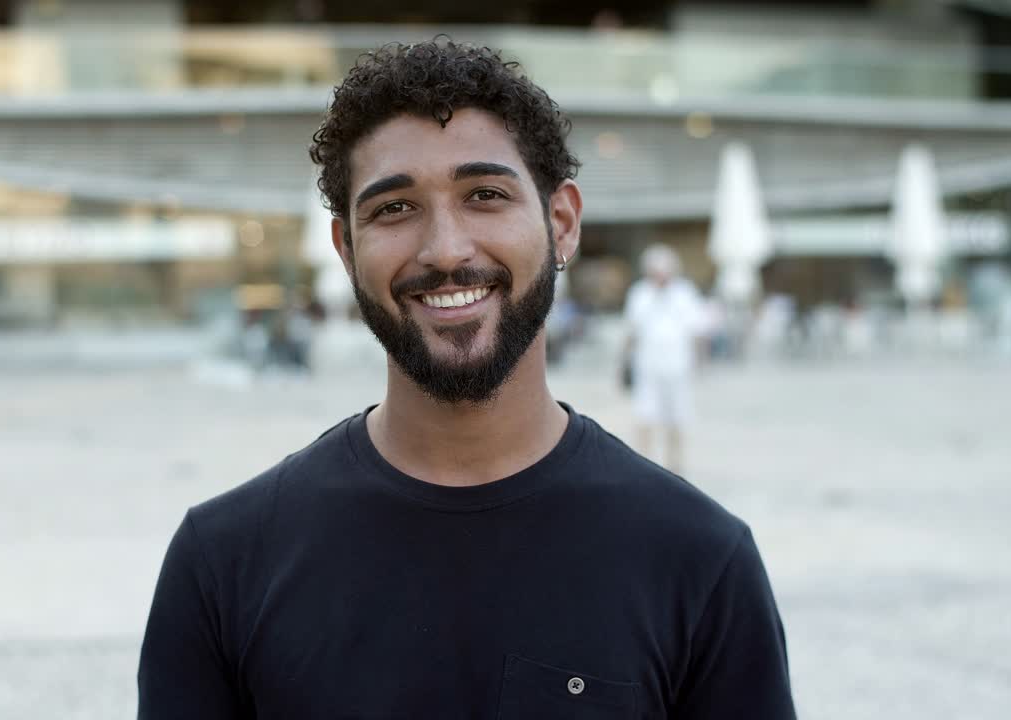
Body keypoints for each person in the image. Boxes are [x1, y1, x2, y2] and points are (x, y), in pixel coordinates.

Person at [138, 40, 795, 719]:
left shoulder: (698, 563)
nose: (446, 249)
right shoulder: (224, 564)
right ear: (345, 248)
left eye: (485, 195)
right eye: (394, 208)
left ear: (561, 223)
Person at [621, 244, 707, 475]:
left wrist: (699, 363)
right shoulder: (640, 293)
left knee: (677, 416)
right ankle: (644, 464)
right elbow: (632, 330)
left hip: (678, 366)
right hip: (648, 365)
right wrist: (625, 363)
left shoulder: (684, 293)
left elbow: (697, 331)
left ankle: (675, 466)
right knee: (644, 414)